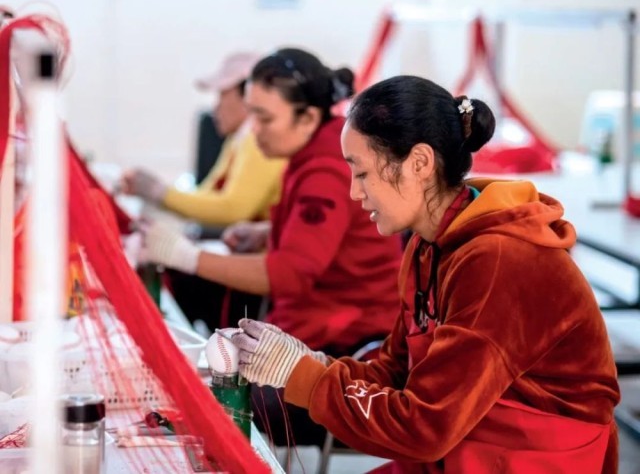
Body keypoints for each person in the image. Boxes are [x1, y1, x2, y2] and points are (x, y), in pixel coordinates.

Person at [229, 75, 621, 473]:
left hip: (527, 458)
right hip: (466, 443)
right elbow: (397, 371)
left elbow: (426, 427)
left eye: (362, 174)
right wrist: (309, 363)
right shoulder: (426, 245)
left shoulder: (500, 260)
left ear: (419, 163)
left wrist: (306, 378)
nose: (354, 193)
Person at [141, 48, 404, 445]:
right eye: (252, 115)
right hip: (322, 323)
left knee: (216, 402)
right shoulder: (317, 152)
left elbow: (290, 274)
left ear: (308, 117)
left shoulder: (326, 168)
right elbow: (337, 232)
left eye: (264, 118)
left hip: (344, 346)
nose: (254, 130)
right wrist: (270, 232)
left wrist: (186, 256)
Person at [122, 51, 285, 228]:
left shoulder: (259, 140)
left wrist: (160, 192)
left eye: (222, 95)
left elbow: (233, 209)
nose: (216, 106)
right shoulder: (237, 140)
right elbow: (207, 192)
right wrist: (158, 193)